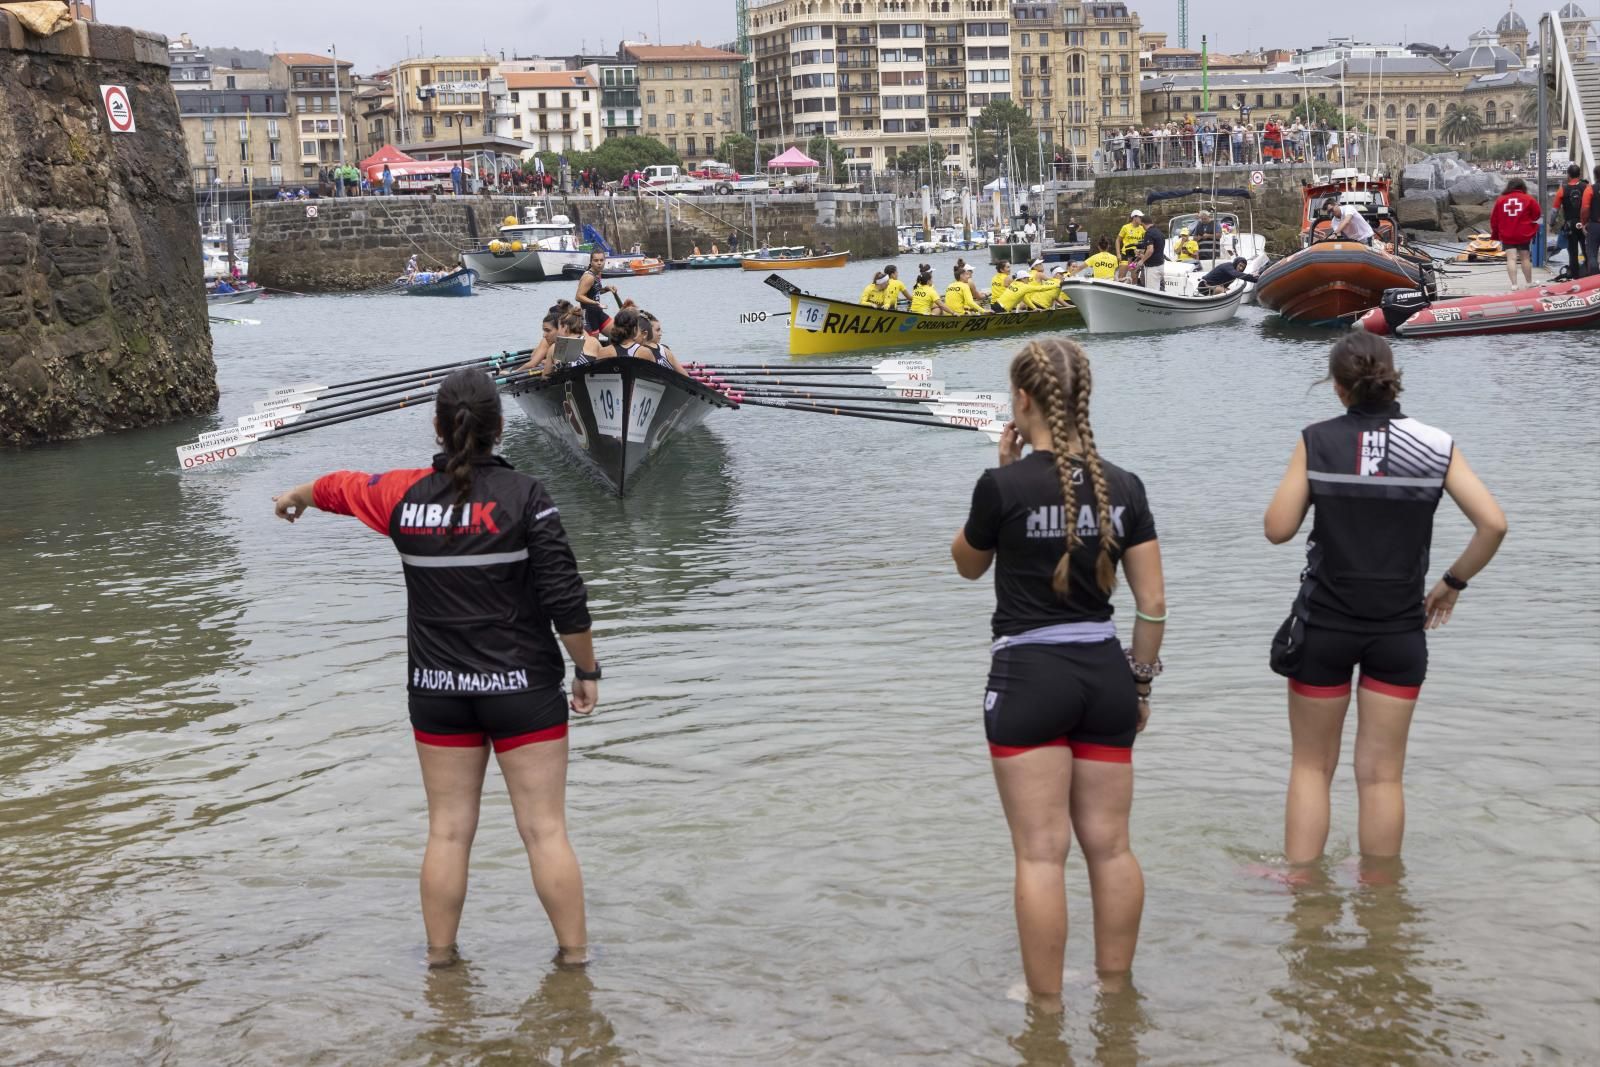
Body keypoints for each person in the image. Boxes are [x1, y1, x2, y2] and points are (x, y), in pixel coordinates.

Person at [270, 368, 601, 969]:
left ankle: (442, 967)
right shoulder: (527, 497)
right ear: (498, 429)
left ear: (439, 427)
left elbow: (339, 487)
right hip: (520, 688)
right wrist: (587, 671)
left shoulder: (402, 494)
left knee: (448, 832)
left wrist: (294, 494)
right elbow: (565, 600)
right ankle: (575, 969)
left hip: (436, 689)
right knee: (544, 832)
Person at [950, 338, 1165, 1008]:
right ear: (1083, 400)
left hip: (1028, 676)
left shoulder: (1002, 486)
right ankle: (1113, 990)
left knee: (1043, 855)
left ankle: (1045, 1011)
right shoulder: (1124, 485)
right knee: (1111, 847)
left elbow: (966, 562)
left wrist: (1003, 470)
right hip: (1104, 675)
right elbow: (1153, 603)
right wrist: (1140, 683)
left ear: (1021, 401)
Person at [1263, 333, 1507, 868]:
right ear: (1390, 377)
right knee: (1381, 775)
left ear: (1338, 387)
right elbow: (1492, 524)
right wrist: (1451, 583)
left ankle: (1301, 890)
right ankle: (1381, 904)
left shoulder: (1317, 440)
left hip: (1324, 626)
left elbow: (1277, 529)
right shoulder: (1436, 445)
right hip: (1400, 631)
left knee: (1310, 768)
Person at [1490, 176, 1540, 289]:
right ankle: (1528, 282)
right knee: (1525, 258)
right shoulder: (1529, 199)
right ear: (1522, 186)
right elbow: (1536, 214)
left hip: (1507, 233)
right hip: (1523, 233)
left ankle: (1514, 285)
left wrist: (1495, 233)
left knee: (1511, 258)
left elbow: (1494, 219)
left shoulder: (1501, 200)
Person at [1552, 162, 1590, 277]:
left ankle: (1575, 277)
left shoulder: (1562, 190)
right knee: (1588, 251)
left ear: (1568, 175)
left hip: (1570, 225)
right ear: (1579, 174)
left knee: (1572, 252)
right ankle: (1590, 274)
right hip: (1586, 224)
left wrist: (1551, 223)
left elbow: (1555, 210)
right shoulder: (1587, 187)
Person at [575, 250, 618, 336]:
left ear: (605, 261)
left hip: (598, 313)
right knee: (594, 345)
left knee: (618, 334)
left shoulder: (598, 274)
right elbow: (578, 296)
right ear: (591, 262)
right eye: (596, 260)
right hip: (588, 316)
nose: (599, 263)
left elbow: (594, 292)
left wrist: (606, 289)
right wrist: (595, 303)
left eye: (601, 260)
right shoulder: (588, 277)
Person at [1133, 219, 1168, 292]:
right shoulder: (1159, 232)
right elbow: (1156, 251)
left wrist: (1142, 261)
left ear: (1143, 224)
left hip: (1152, 268)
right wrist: (1142, 255)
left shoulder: (1148, 233)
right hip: (1161, 265)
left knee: (1152, 291)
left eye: (1142, 225)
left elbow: (1150, 250)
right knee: (1160, 290)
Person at [1584, 165, 1600, 284]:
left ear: (1595, 176)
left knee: (1592, 254)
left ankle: (1595, 282)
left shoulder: (1590, 189)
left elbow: (1585, 209)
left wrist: (1584, 223)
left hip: (1595, 225)